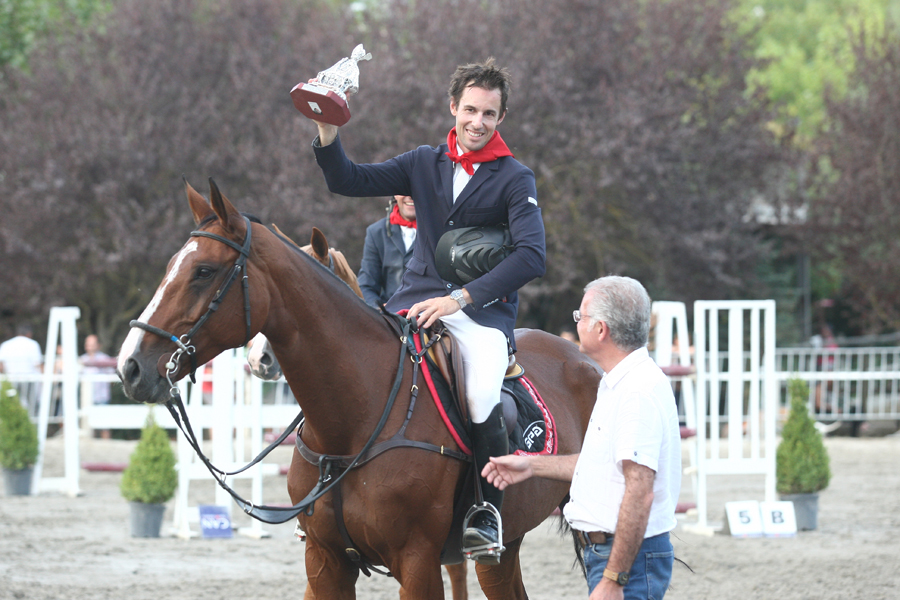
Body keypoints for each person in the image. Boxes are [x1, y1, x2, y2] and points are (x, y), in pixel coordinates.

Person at [308, 58, 546, 562]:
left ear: (501, 118)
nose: (477, 122)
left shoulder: (515, 178)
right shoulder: (422, 162)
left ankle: (486, 511)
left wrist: (461, 298)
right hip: (411, 303)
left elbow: (532, 255)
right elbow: (347, 180)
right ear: (453, 107)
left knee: (482, 387)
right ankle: (324, 488)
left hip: (477, 315)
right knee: (348, 364)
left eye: (489, 113)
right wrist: (327, 133)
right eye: (470, 110)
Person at [482, 276, 681, 599]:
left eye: (582, 317)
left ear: (601, 329)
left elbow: (639, 491)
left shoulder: (636, 393)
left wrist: (615, 579)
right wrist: (531, 465)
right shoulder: (620, 382)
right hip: (615, 553)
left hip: (624, 557)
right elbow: (600, 465)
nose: (577, 323)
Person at [358, 195, 417, 307]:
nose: (410, 196)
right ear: (395, 194)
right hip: (389, 318)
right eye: (404, 189)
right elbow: (366, 285)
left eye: (415, 189)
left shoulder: (440, 231)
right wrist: (380, 310)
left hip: (430, 316)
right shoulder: (375, 232)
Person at [0, 324, 44, 409]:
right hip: (29, 380)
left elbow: (1, 365)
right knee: (32, 405)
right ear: (29, 333)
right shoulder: (33, 344)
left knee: (12, 404)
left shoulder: (6, 344)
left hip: (10, 379)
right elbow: (38, 364)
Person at [79, 334, 114, 438]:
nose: (90, 346)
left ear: (98, 345)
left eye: (92, 344)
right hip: (87, 399)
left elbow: (112, 378)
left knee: (104, 425)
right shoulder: (81, 360)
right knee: (88, 426)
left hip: (102, 397)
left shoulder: (105, 359)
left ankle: (107, 446)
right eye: (88, 344)